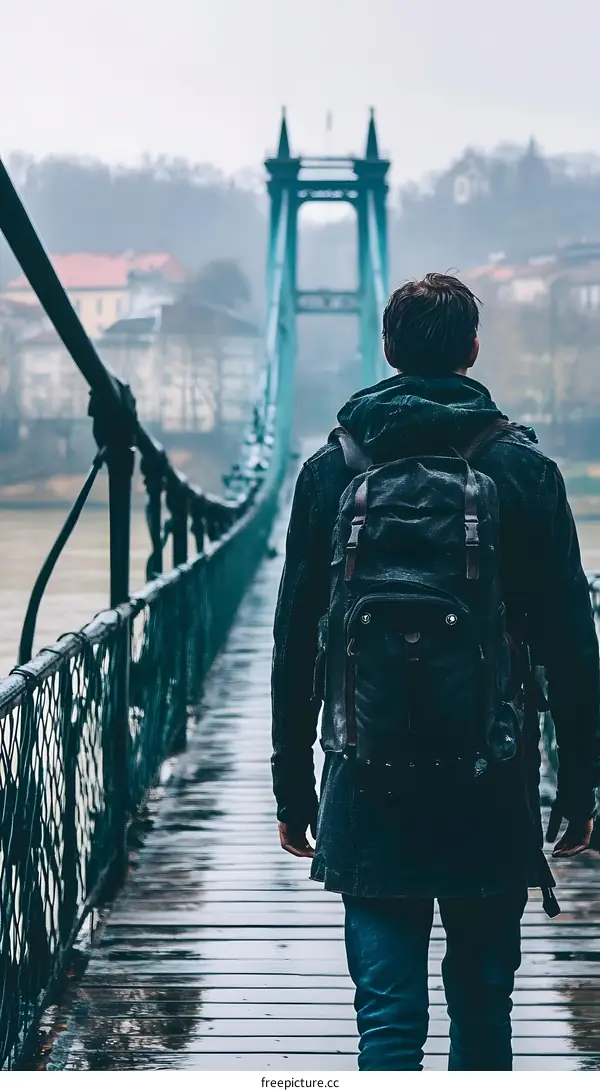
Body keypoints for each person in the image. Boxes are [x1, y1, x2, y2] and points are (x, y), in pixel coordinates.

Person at [271, 273, 600, 1072]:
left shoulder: (329, 470)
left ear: (388, 351)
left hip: (365, 774)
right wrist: (580, 788)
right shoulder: (524, 471)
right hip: (490, 779)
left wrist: (293, 787)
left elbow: (293, 645)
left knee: (386, 1023)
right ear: (472, 351)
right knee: (484, 1014)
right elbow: (572, 642)